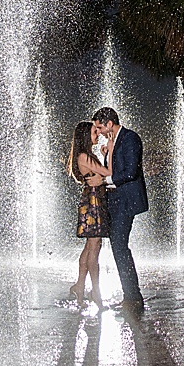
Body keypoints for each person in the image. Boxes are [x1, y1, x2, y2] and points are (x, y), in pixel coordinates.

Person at [88, 107, 147, 314]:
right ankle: (130, 295)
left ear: (110, 123)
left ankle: (133, 297)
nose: (100, 131)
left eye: (100, 127)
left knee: (120, 247)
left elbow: (130, 171)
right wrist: (107, 156)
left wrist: (103, 180)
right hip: (114, 200)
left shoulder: (131, 138)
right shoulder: (113, 141)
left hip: (125, 201)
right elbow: (116, 168)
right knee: (118, 247)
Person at [66, 120, 111, 310]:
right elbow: (109, 172)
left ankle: (79, 286)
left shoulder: (86, 155)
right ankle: (96, 293)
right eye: (94, 132)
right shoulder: (84, 156)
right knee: (95, 247)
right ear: (86, 136)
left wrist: (103, 157)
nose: (97, 134)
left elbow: (103, 175)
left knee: (89, 247)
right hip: (93, 202)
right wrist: (109, 151)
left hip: (92, 200)